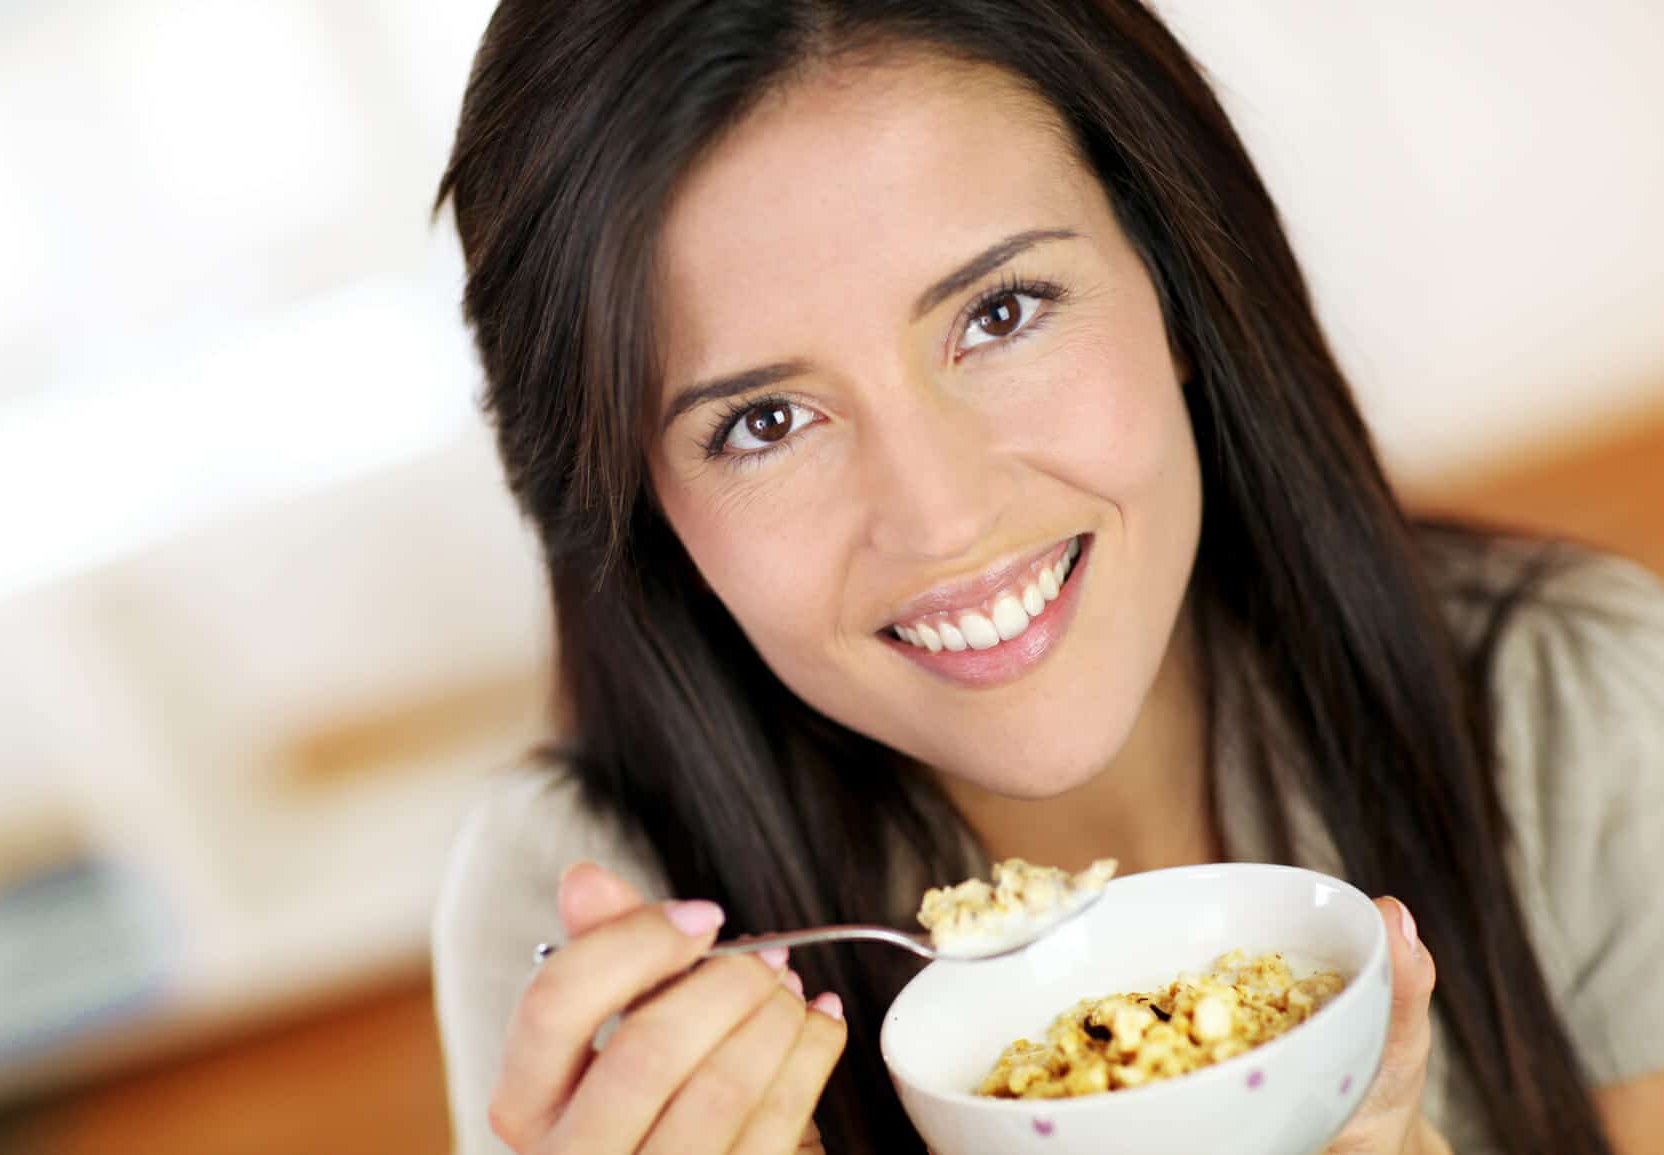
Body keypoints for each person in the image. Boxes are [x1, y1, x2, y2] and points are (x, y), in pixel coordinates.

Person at [429, 2, 1664, 1152]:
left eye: (1003, 312)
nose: (943, 515)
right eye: (762, 421)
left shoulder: (1583, 715)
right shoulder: (588, 927)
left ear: (1180, 284)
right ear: (642, 511)